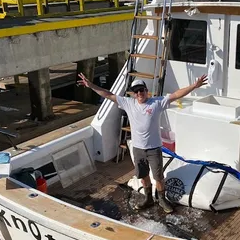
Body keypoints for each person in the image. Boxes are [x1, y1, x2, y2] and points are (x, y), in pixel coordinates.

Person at [78, 72, 208, 213]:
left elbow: (176, 95)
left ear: (147, 91)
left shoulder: (157, 102)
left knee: (158, 177)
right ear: (133, 94)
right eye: (136, 91)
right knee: (143, 176)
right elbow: (108, 94)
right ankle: (148, 198)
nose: (139, 93)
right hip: (138, 149)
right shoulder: (128, 103)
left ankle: (162, 199)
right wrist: (90, 85)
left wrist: (195, 86)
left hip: (154, 148)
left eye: (142, 90)